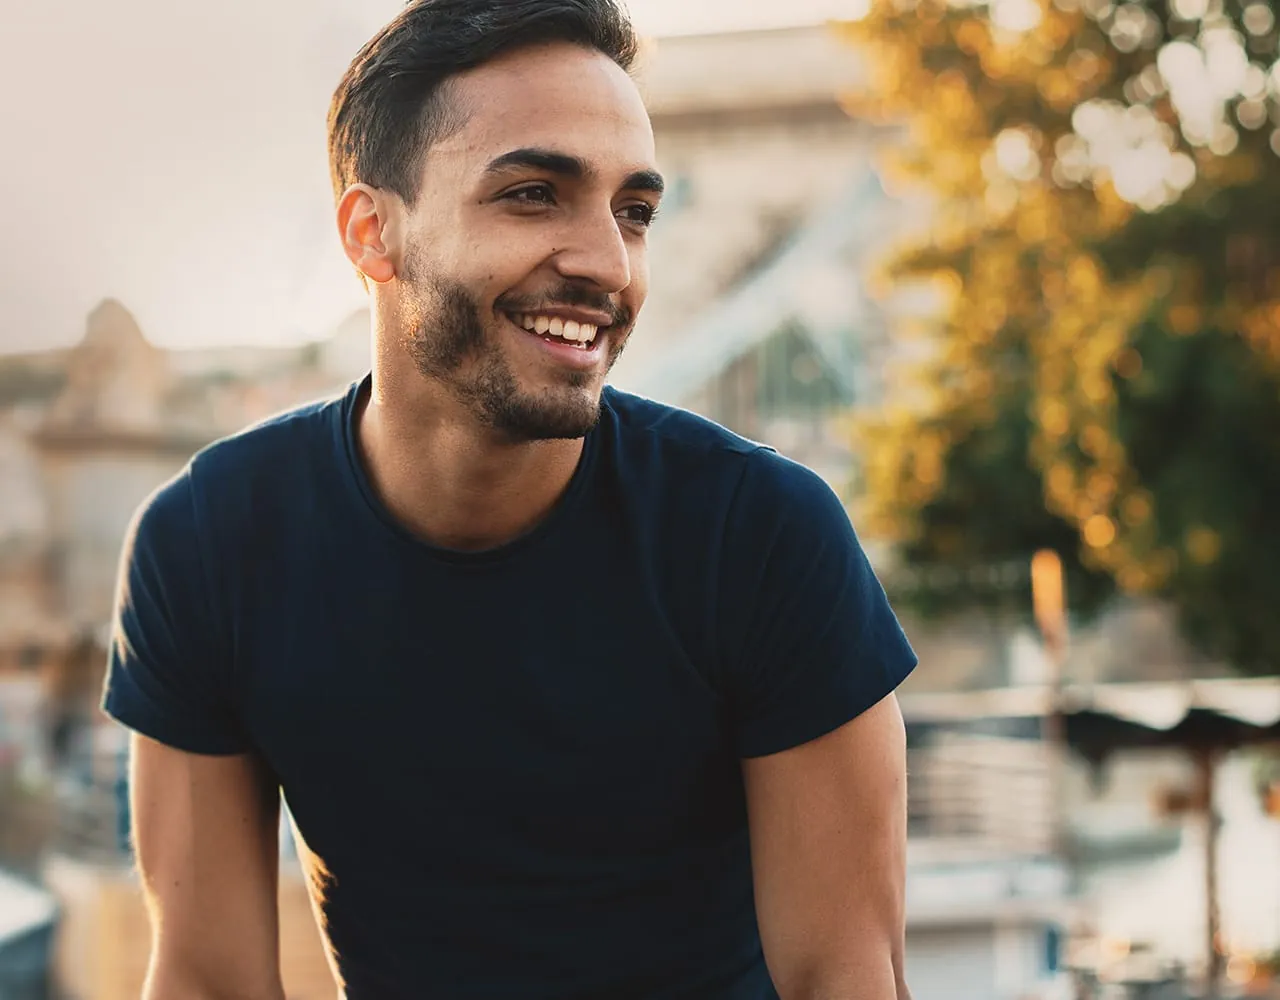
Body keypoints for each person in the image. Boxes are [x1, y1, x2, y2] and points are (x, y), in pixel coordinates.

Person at [102, 1, 918, 997]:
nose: (609, 265)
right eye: (533, 194)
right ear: (372, 233)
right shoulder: (208, 543)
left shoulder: (758, 536)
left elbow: (845, 980)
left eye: (634, 211)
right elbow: (205, 980)